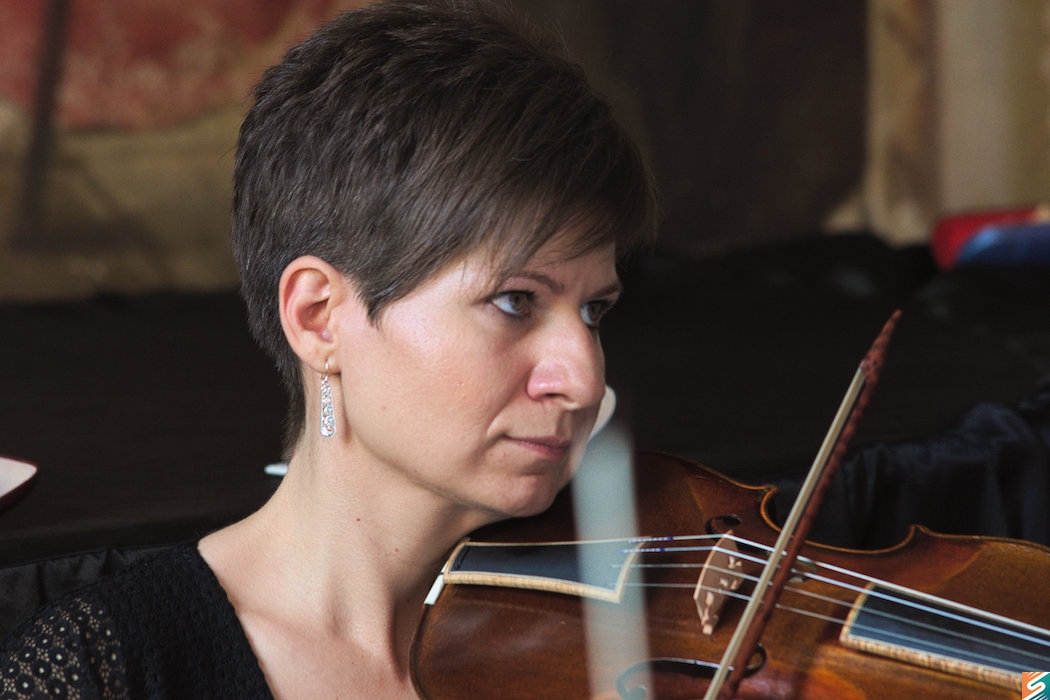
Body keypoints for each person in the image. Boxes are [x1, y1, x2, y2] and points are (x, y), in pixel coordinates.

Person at [0, 0, 657, 697]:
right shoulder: (101, 670)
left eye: (594, 310)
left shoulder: (627, 642)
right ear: (319, 319)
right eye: (515, 301)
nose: (583, 379)